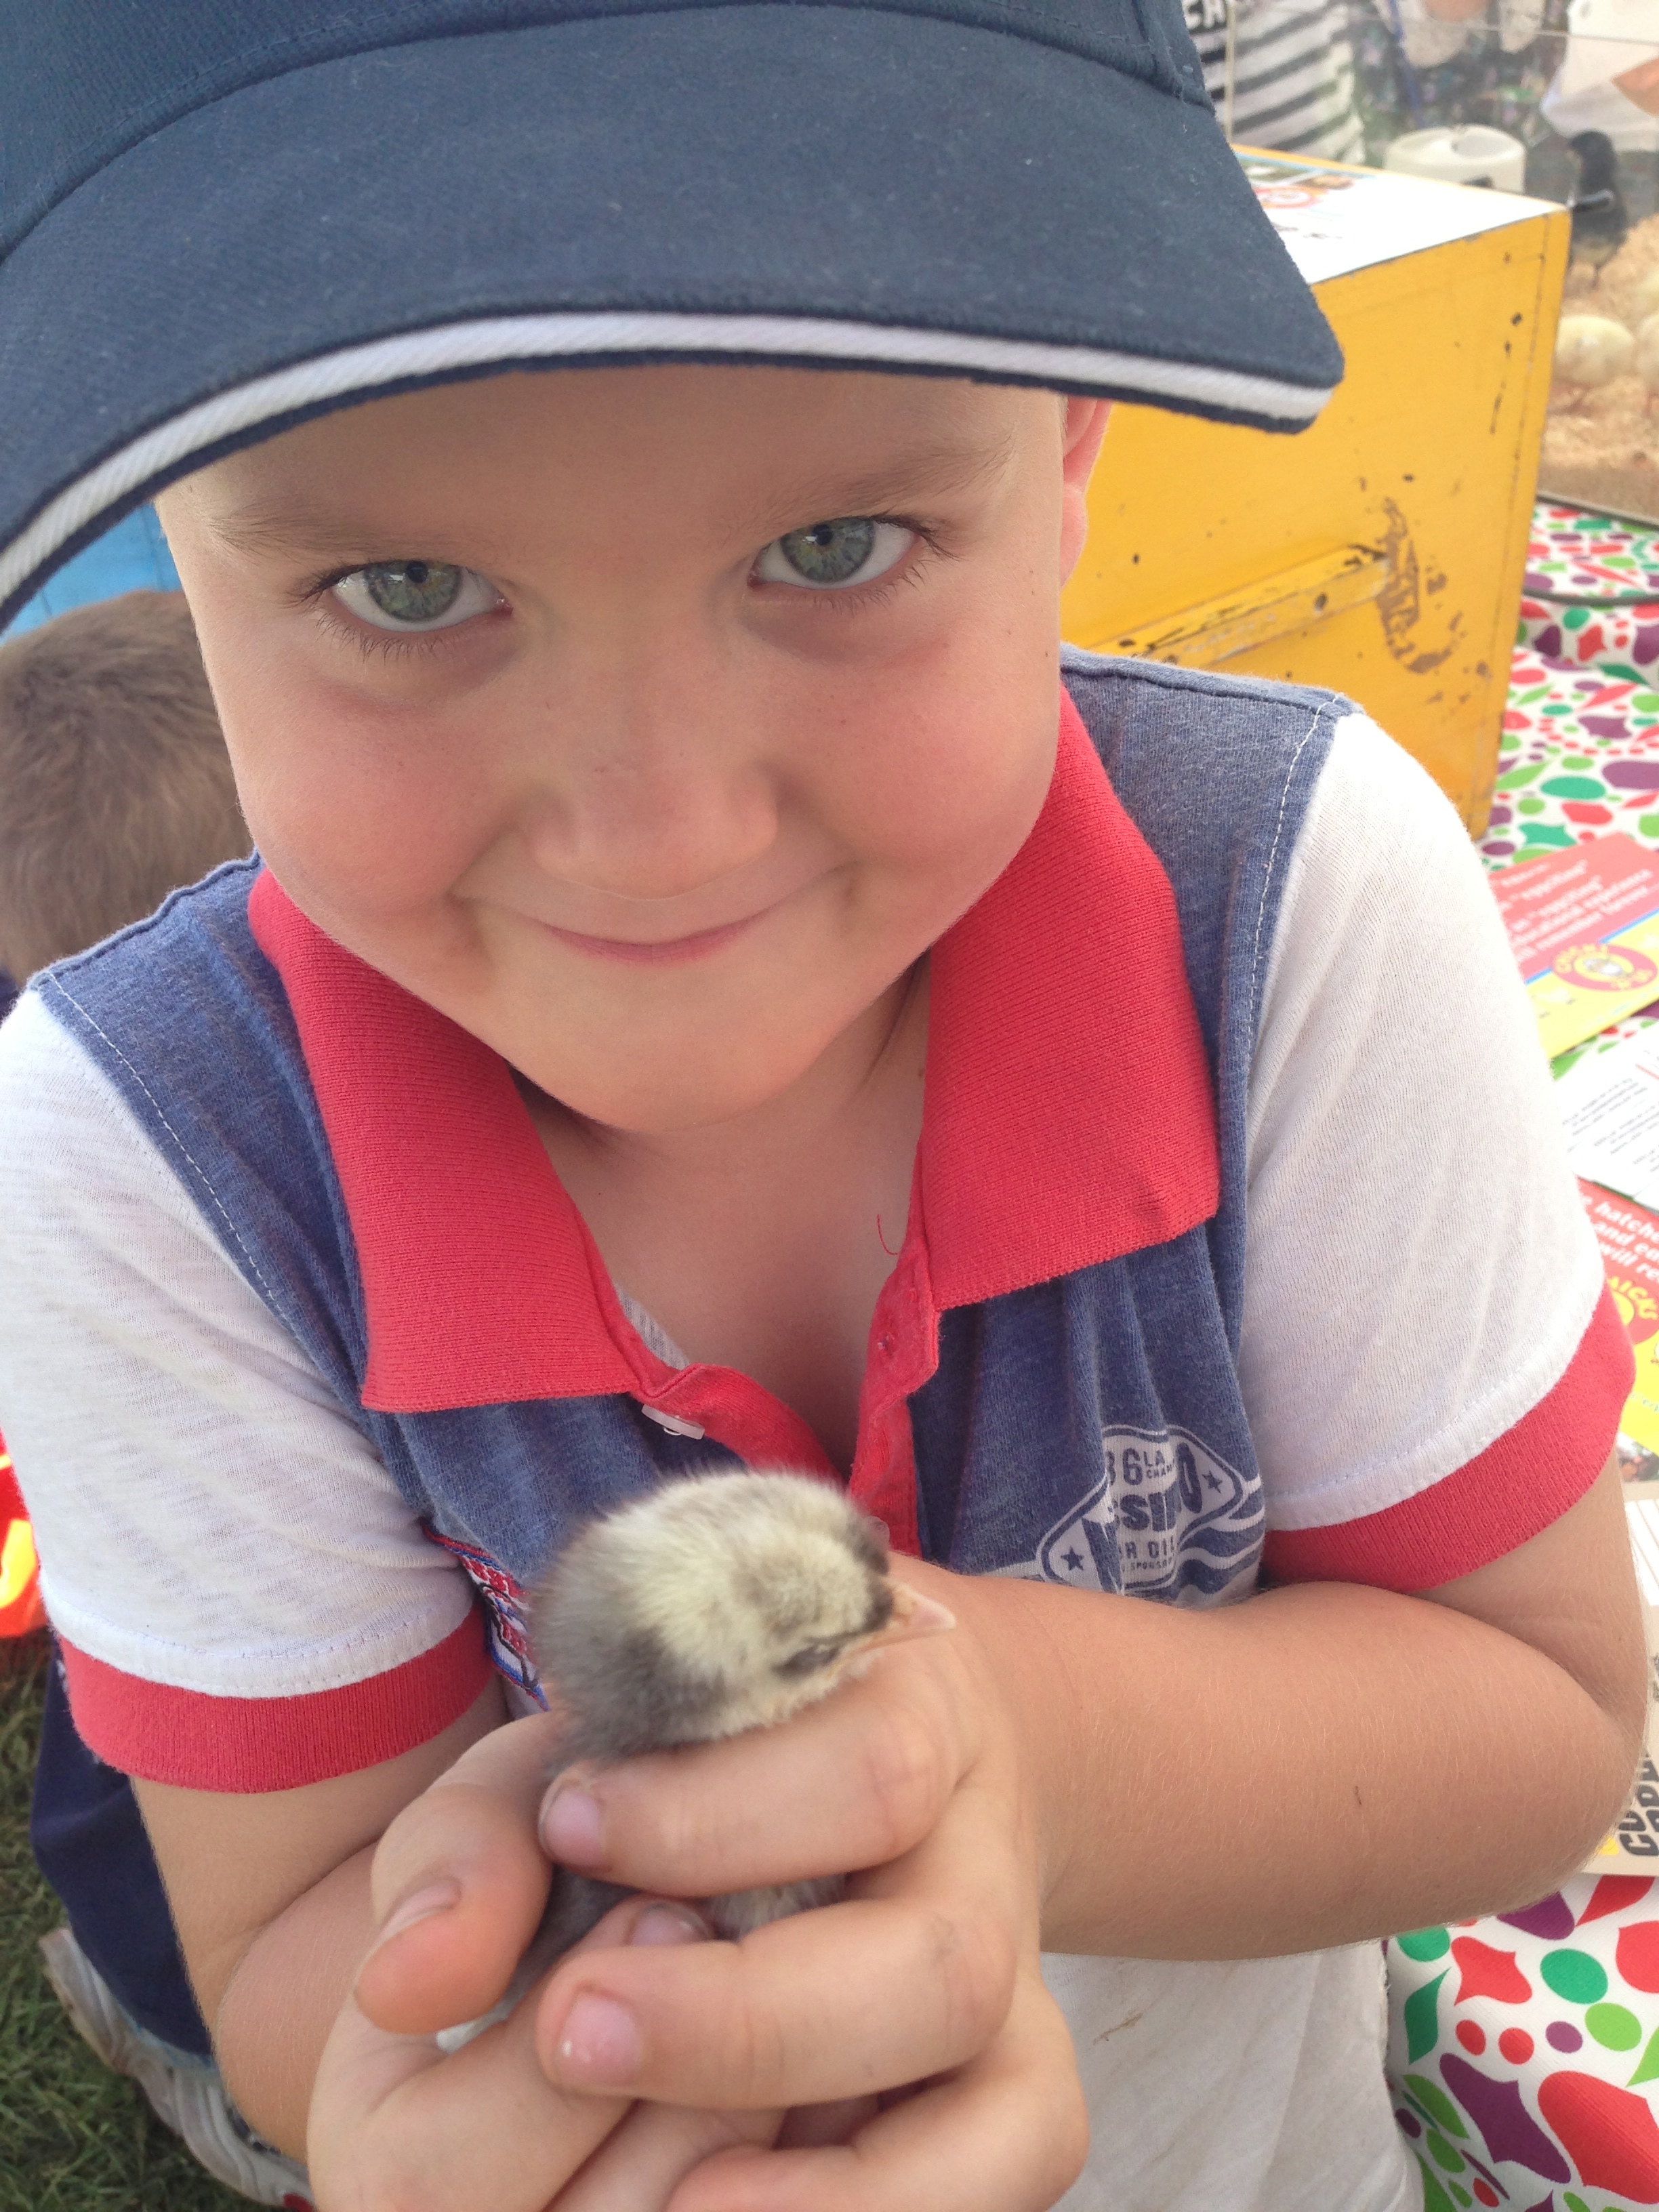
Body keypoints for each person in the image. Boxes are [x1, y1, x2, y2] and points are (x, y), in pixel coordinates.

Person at [0, 6, 1644, 2211]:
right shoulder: (137, 1156)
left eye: (841, 544)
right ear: (174, 570)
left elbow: (1535, 1727)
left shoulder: (1296, 904)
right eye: (405, 590)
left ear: (1067, 456)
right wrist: (524, 2053)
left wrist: (997, 1741)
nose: (662, 835)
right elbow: (295, 1951)